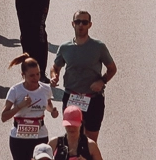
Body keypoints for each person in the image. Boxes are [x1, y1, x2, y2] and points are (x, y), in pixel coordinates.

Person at [50, 12, 117, 152]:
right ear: (72, 23)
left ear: (90, 25)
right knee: (73, 138)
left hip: (93, 98)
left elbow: (112, 68)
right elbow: (55, 67)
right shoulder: (65, 47)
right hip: (72, 97)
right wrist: (54, 76)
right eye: (78, 21)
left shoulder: (98, 47)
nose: (81, 25)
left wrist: (102, 81)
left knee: (90, 142)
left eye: (84, 22)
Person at [0, 57, 59, 160]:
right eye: (31, 75)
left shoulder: (46, 89)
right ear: (23, 75)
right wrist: (20, 106)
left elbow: (48, 105)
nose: (36, 78)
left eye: (38, 74)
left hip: (40, 135)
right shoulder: (15, 90)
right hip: (19, 137)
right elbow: (4, 117)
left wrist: (52, 112)